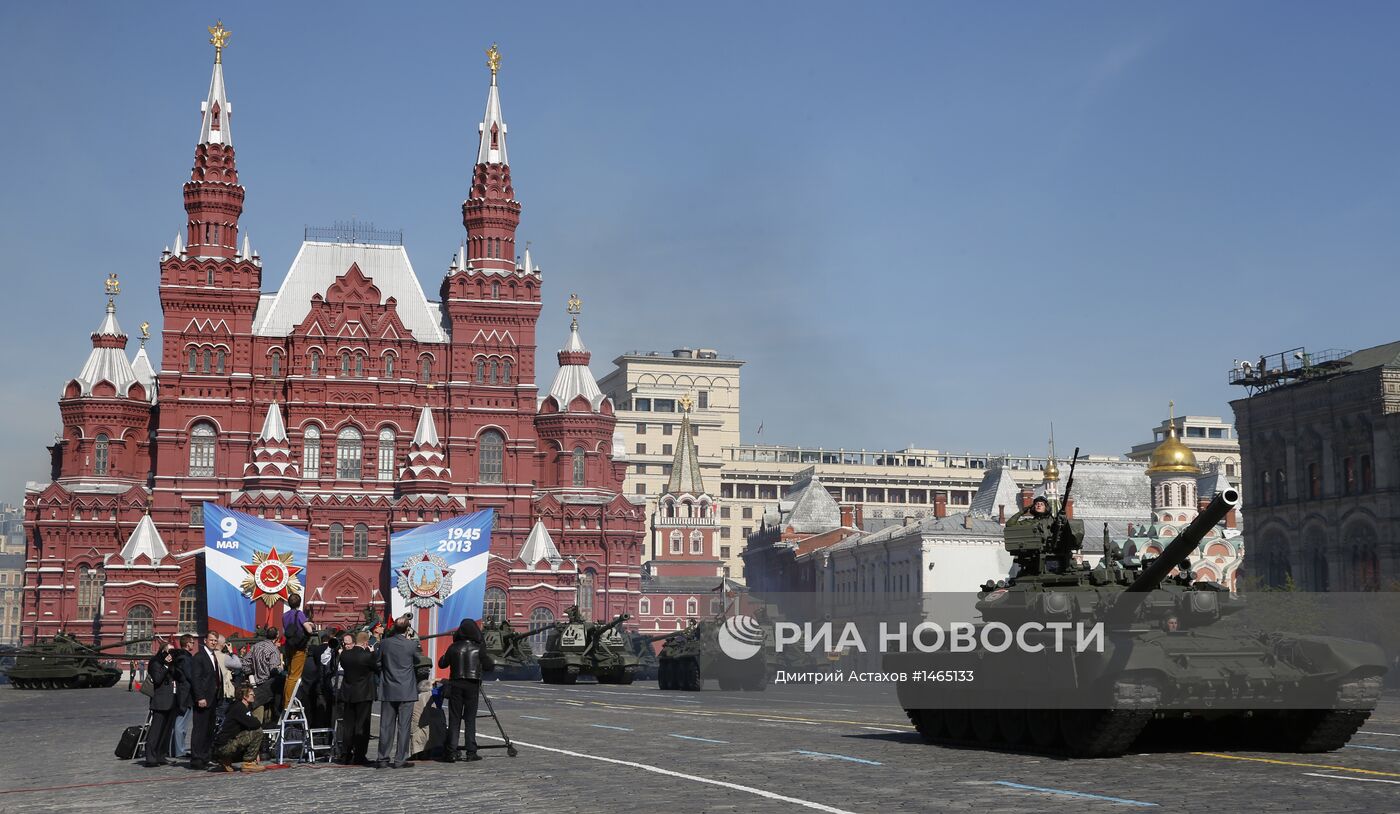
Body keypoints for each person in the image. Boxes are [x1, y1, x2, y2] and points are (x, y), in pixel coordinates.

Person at [438, 618, 495, 763]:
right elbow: (489, 666)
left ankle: (451, 751)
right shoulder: (478, 647)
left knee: (454, 719)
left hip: (456, 684)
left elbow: (442, 664)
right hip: (472, 685)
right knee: (470, 719)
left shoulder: (454, 647)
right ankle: (471, 751)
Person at [374, 615, 421, 769]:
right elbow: (418, 661)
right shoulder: (411, 645)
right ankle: (400, 759)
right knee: (404, 726)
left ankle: (382, 758)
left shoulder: (385, 644)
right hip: (406, 689)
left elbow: (378, 662)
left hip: (388, 688)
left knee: (386, 726)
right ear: (407, 629)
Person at [183, 632, 224, 770]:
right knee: (200, 729)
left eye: (215, 640)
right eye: (211, 640)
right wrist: (200, 697)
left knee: (209, 729)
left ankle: (205, 756)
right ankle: (196, 758)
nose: (213, 642)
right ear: (205, 640)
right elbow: (196, 679)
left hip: (213, 698)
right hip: (203, 699)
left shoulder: (214, 656)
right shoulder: (199, 656)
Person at [337, 630, 377, 765]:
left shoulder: (345, 655)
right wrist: (372, 653)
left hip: (348, 694)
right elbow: (377, 668)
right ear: (366, 643)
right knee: (362, 726)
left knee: (348, 725)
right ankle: (360, 755)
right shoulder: (367, 656)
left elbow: (343, 666)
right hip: (363, 694)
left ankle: (345, 754)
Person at [141, 641, 179, 768]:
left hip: (172, 700)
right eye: (169, 651)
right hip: (160, 701)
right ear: (163, 651)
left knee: (166, 731)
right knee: (156, 731)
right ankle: (150, 757)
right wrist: (166, 665)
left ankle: (161, 755)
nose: (171, 654)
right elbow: (157, 679)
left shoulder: (173, 663)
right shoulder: (155, 662)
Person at [213, 684, 267, 773]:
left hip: (219, 745)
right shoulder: (240, 708)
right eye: (251, 694)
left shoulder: (233, 705)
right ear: (244, 697)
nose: (254, 696)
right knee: (258, 732)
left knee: (245, 733)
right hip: (225, 746)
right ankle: (248, 762)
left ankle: (226, 760)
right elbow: (255, 724)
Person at [282, 594, 314, 709]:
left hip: (289, 646)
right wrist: (310, 625)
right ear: (299, 603)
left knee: (289, 675)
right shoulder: (299, 613)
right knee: (294, 677)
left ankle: (285, 699)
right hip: (299, 648)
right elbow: (309, 630)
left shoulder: (284, 615)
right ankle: (288, 703)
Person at [247, 627, 283, 725]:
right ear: (276, 636)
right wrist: (281, 669)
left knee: (258, 710)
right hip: (268, 684)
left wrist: (251, 674)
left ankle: (260, 730)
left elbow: (245, 662)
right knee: (269, 711)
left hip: (257, 683)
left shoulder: (255, 646)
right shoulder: (273, 649)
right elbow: (274, 669)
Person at [169, 635, 193, 760]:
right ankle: (180, 751)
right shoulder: (185, 658)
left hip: (182, 692)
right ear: (187, 643)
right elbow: (190, 676)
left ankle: (176, 749)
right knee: (181, 723)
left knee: (179, 722)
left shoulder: (180, 657)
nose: (193, 644)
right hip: (186, 693)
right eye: (192, 642)